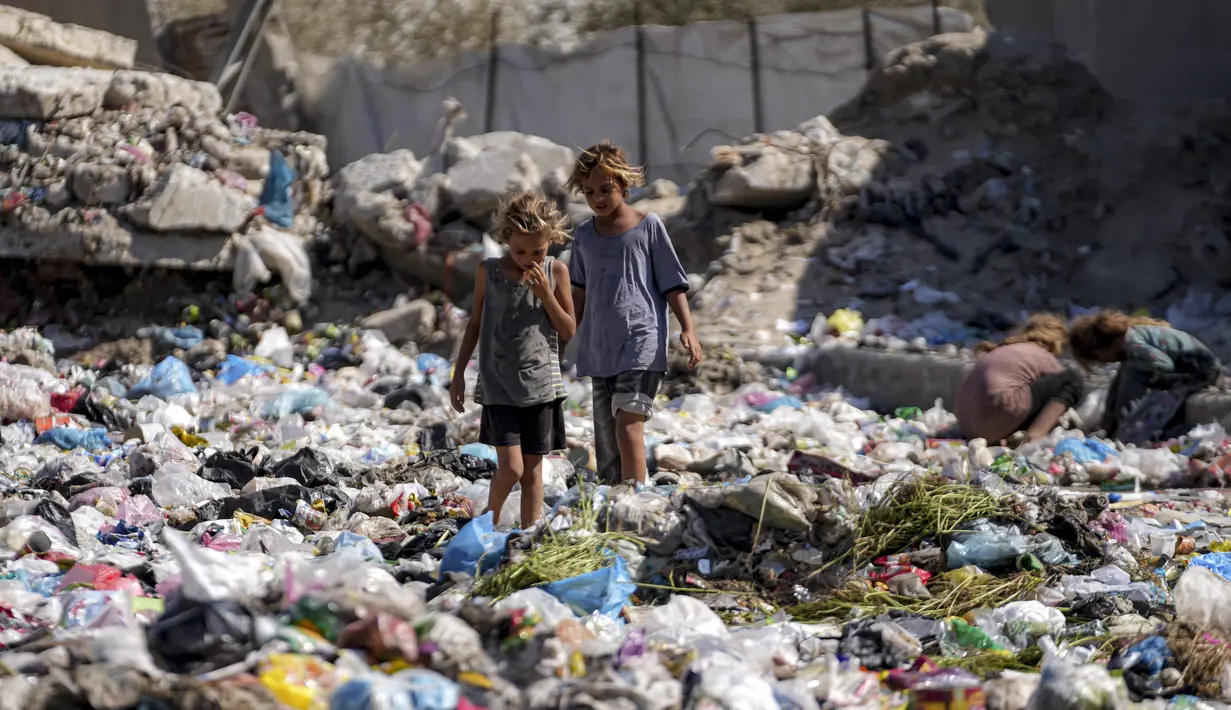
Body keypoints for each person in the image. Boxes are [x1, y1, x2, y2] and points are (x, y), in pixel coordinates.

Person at [566, 141, 702, 485]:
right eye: (589, 192)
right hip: (600, 350)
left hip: (642, 342)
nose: (598, 198)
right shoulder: (583, 236)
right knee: (608, 441)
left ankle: (637, 496)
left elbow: (672, 283)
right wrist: (564, 333)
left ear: (624, 186)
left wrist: (688, 328)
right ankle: (617, 503)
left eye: (606, 189)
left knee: (629, 423)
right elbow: (578, 290)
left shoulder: (648, 226)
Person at [450, 192, 576, 528]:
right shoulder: (488, 272)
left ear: (551, 240)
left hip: (541, 388)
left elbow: (569, 329)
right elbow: (475, 324)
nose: (528, 259)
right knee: (512, 467)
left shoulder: (556, 271)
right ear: (506, 239)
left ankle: (526, 535)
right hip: (498, 385)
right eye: (520, 251)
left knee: (533, 471)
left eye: (538, 250)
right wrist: (459, 373)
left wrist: (546, 295)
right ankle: (486, 525)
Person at [1069, 310, 1222, 444]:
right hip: (1188, 369)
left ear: (1101, 347)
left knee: (1134, 375)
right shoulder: (1132, 339)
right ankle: (1113, 429)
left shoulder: (1134, 343)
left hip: (1201, 371)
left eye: (1098, 358)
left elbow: (1165, 365)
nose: (1103, 362)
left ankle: (1123, 435)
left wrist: (1151, 379)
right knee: (1129, 372)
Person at [954, 313, 1084, 445]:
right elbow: (1063, 388)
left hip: (968, 427)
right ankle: (1035, 437)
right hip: (997, 418)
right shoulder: (1041, 354)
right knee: (1073, 379)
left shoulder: (1003, 350)